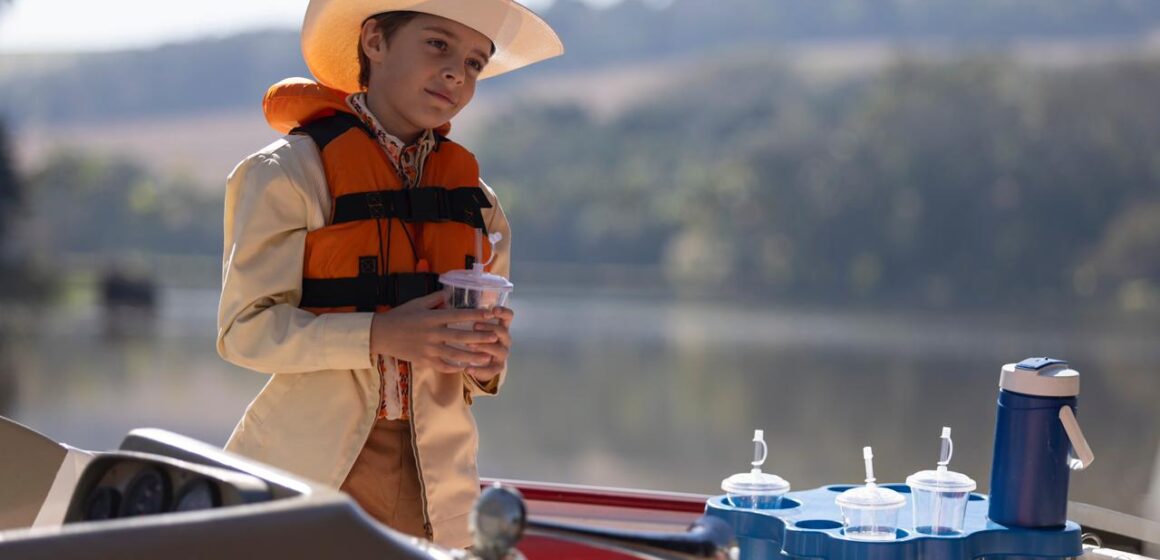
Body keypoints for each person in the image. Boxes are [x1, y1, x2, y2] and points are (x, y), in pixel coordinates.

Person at [216, 0, 562, 548]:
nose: (456, 72)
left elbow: (477, 367)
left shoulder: (480, 205)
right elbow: (244, 331)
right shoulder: (286, 174)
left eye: (475, 63)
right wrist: (379, 334)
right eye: (438, 44)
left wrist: (489, 361)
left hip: (440, 490)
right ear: (374, 41)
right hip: (309, 477)